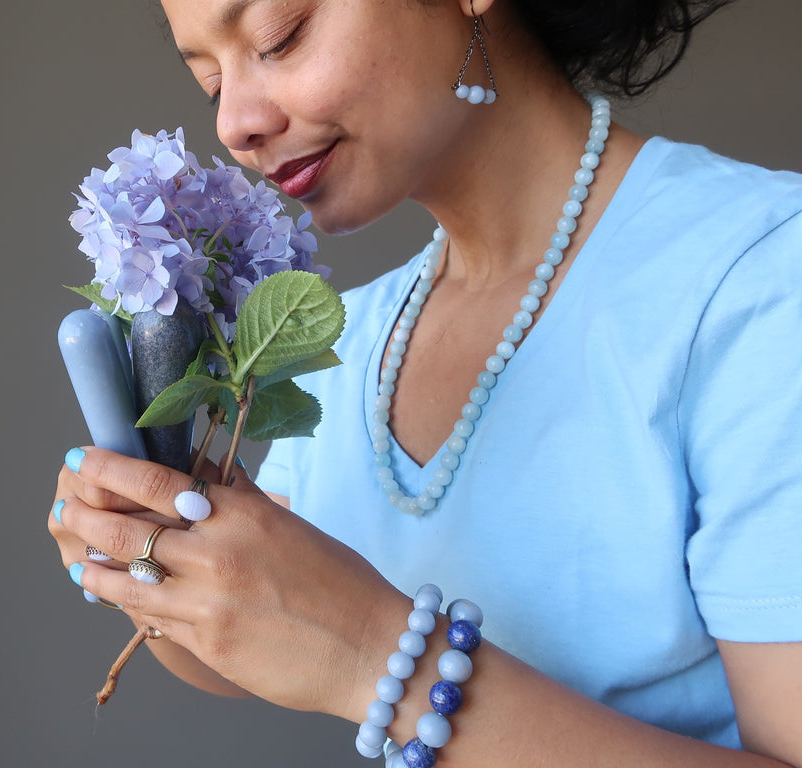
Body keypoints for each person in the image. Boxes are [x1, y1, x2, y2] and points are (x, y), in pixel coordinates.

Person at [49, 0, 802, 765]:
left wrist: (375, 655)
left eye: (281, 36)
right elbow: (261, 626)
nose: (234, 123)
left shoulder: (762, 280)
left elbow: (332, 639)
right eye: (211, 82)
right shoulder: (351, 341)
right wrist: (142, 542)